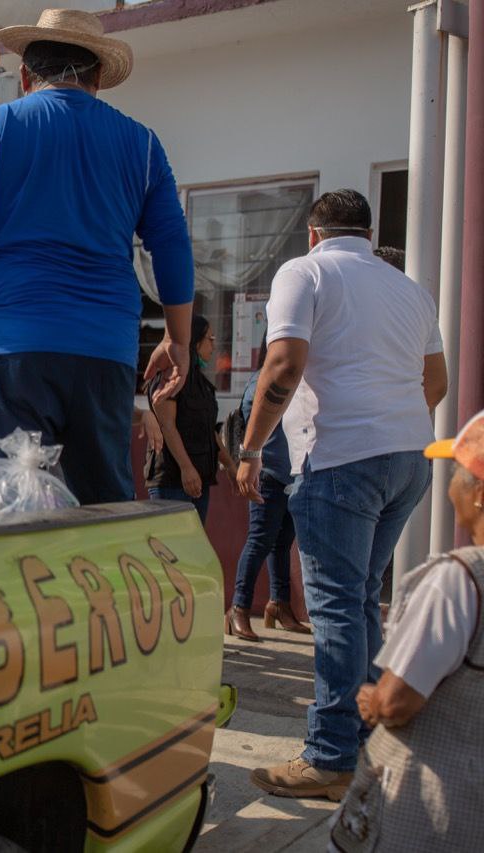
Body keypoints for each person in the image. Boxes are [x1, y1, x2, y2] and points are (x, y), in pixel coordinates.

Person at [0, 8, 194, 504]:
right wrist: (178, 339)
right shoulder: (143, 145)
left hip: (15, 351)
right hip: (105, 353)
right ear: (98, 79)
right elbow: (173, 247)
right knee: (101, 505)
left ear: (26, 76)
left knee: (4, 504)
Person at [238, 189, 448, 800]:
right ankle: (365, 744)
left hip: (340, 460)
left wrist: (250, 450)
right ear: (366, 231)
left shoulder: (303, 272)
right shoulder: (409, 288)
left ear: (313, 233)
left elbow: (282, 367)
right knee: (358, 602)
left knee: (336, 609)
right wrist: (391, 425)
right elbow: (434, 381)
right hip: (409, 456)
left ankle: (330, 758)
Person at [330, 411, 484, 849]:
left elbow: (397, 700)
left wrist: (374, 701)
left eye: (458, 472)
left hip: (432, 807)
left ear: (480, 495)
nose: (449, 481)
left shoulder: (458, 580)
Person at [228, 336, 310, 642]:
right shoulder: (260, 384)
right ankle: (239, 608)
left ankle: (279, 604)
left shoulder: (296, 383)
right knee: (259, 542)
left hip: (291, 476)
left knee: (282, 543)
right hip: (268, 475)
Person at [146, 314, 235, 522]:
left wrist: (230, 465)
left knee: (194, 549)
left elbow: (209, 431)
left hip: (200, 480)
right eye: (210, 339)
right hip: (172, 481)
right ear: (195, 342)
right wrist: (186, 468)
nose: (214, 347)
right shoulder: (170, 378)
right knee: (172, 549)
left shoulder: (203, 384)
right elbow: (167, 426)